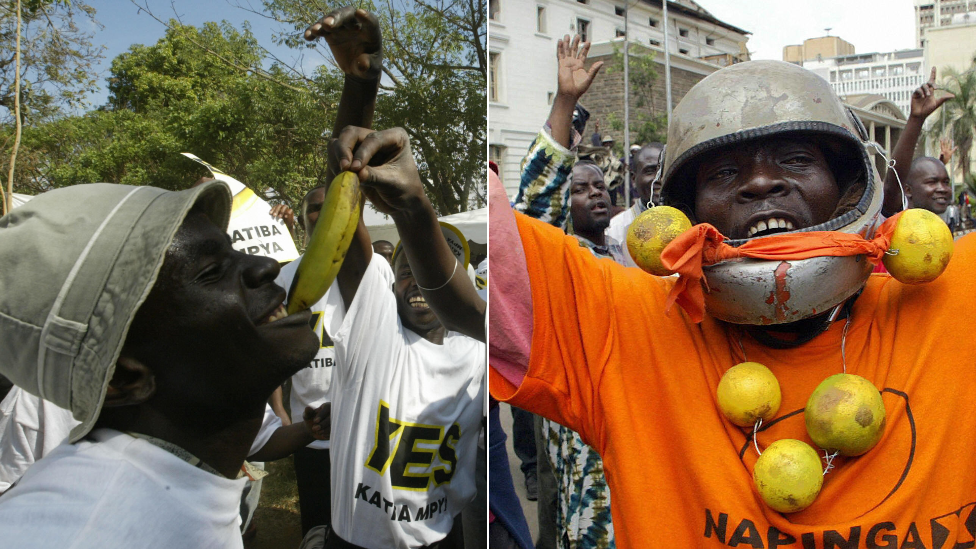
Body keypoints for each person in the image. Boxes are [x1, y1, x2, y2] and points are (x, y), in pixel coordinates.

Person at [487, 58, 976, 547]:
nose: (761, 183)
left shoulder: (955, 299)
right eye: (723, 171)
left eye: (796, 159)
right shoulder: (628, 326)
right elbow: (496, 244)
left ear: (851, 188)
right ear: (687, 214)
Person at [0, 180, 323, 548]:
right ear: (125, 376)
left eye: (232, 251)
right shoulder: (81, 533)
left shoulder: (184, 486)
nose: (265, 265)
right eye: (211, 272)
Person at [299, 122, 486, 549]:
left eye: (435, 273)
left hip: (441, 538)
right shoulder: (376, 332)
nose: (418, 284)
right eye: (407, 271)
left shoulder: (478, 353)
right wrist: (362, 82)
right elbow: (341, 219)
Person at [277, 6, 386, 537]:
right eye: (310, 211)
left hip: (365, 440)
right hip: (310, 438)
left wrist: (362, 86)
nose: (325, 217)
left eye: (332, 209)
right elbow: (273, 360)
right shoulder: (283, 279)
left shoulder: (365, 276)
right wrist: (286, 425)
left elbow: (347, 176)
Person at [513, 35, 616, 549]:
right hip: (596, 496)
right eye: (579, 188)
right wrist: (565, 103)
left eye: (599, 185)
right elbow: (530, 209)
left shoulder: (633, 260)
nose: (595, 192)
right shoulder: (558, 269)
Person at [605, 142, 664, 267]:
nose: (659, 179)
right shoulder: (615, 232)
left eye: (665, 169)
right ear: (633, 178)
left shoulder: (694, 225)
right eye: (650, 171)